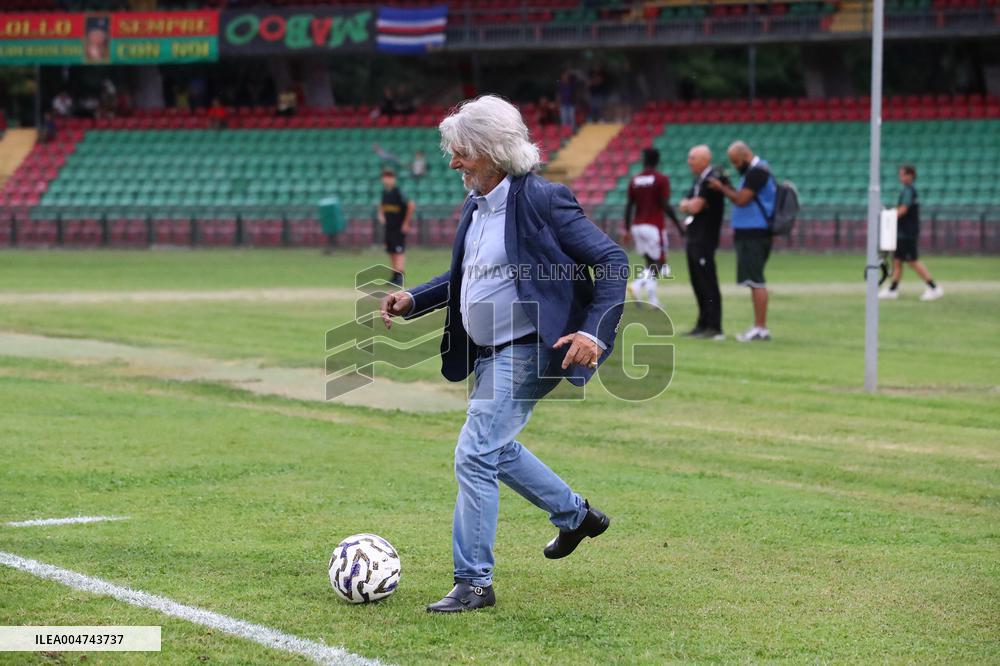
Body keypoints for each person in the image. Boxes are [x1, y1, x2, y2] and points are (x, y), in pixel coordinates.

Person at [379, 95, 627, 613]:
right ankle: (576, 516)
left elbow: (611, 260)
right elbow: (464, 277)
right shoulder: (475, 205)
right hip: (488, 352)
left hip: (533, 348)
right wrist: (414, 300)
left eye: (461, 152)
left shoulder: (544, 199)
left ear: (492, 151)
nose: (453, 163)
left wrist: (594, 334)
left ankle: (474, 582)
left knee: (473, 453)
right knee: (494, 448)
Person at [708, 140, 775, 342]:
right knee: (753, 280)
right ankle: (758, 326)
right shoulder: (753, 172)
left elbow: (741, 199)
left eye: (736, 162)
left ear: (745, 156)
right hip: (750, 231)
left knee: (756, 280)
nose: (736, 166)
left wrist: (721, 187)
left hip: (755, 232)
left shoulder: (758, 172)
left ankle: (761, 328)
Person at [623, 148, 683, 309]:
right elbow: (664, 204)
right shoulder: (661, 179)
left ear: (644, 160)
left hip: (637, 226)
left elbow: (629, 205)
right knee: (660, 262)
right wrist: (678, 225)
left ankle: (652, 299)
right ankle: (636, 285)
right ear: (657, 161)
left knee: (650, 263)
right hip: (654, 226)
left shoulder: (635, 180)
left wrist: (627, 229)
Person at [678, 145, 727, 339]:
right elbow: (685, 203)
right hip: (694, 237)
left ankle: (715, 327)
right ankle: (702, 323)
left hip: (705, 237)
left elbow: (695, 206)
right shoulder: (699, 180)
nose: (689, 161)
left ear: (704, 159)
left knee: (707, 281)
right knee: (697, 281)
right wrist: (688, 205)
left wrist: (689, 205)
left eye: (692, 158)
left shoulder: (714, 179)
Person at [879, 165, 943, 301]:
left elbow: (903, 210)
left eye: (903, 174)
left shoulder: (909, 191)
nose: (900, 177)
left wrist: (888, 216)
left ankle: (933, 288)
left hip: (907, 233)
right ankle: (893, 289)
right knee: (897, 261)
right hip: (902, 232)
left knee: (912, 261)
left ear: (910, 175)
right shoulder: (907, 191)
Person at [378, 168, 414, 287]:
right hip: (389, 227)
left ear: (394, 179)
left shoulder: (399, 192)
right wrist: (381, 215)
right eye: (385, 177)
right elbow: (381, 205)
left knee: (399, 251)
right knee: (391, 251)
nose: (387, 180)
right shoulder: (385, 192)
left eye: (389, 177)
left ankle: (400, 275)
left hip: (398, 227)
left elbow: (411, 205)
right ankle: (394, 274)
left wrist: (406, 223)